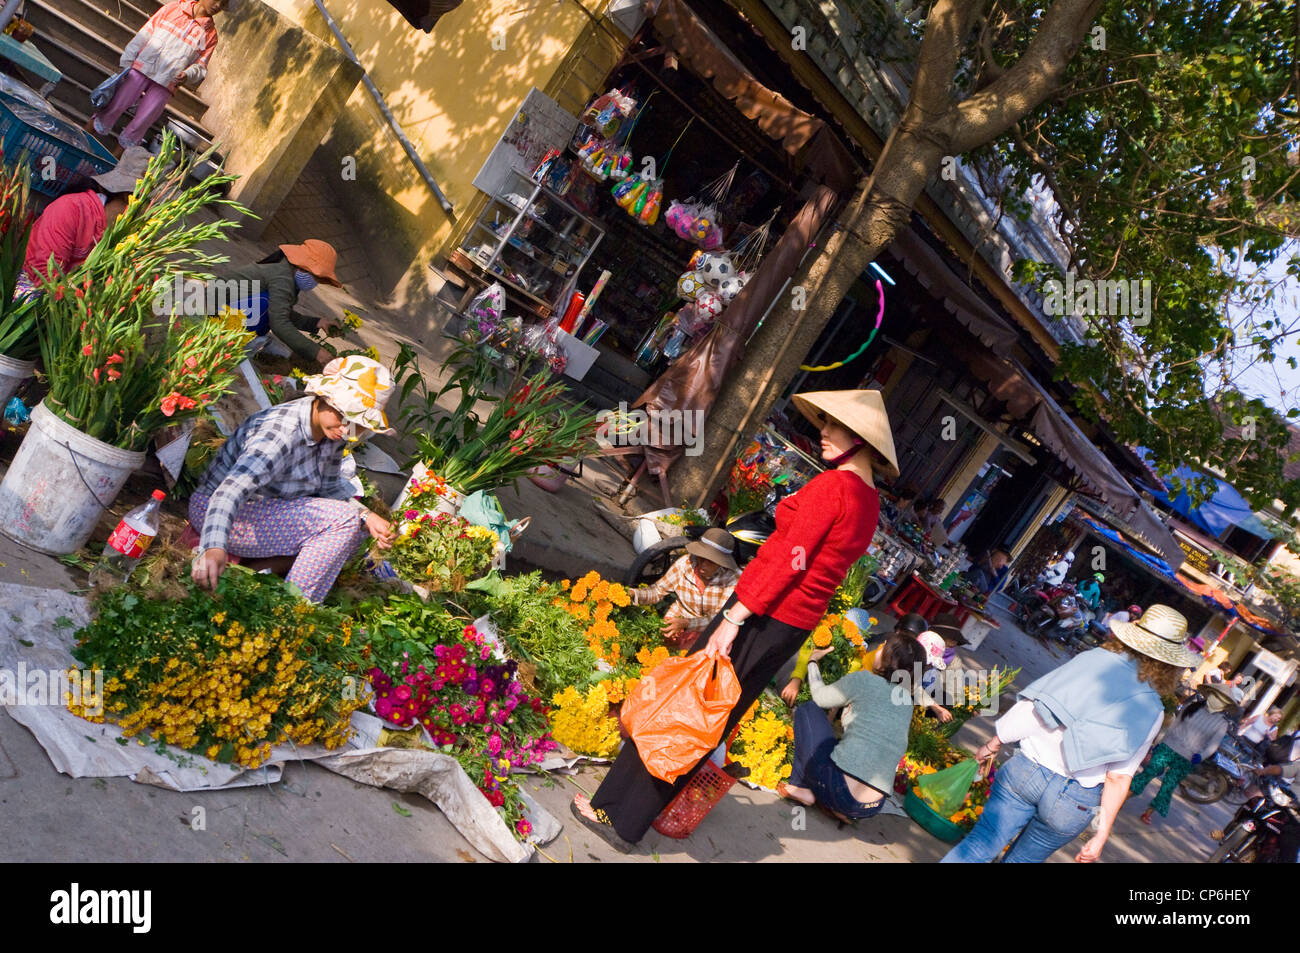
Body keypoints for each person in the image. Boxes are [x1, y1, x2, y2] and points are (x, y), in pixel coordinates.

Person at [570, 388, 899, 852]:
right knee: (709, 719)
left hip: (763, 611)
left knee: (685, 709)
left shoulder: (834, 487)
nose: (822, 431)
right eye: (824, 422)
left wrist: (735, 616)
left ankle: (615, 816)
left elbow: (787, 559)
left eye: (834, 425)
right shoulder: (868, 502)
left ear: (861, 438)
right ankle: (628, 817)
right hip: (789, 625)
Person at [941, 604, 1198, 863]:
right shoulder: (1152, 710)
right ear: (1169, 663)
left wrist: (995, 741)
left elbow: (1036, 708)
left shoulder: (1090, 660)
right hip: (1075, 801)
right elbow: (1119, 778)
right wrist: (1101, 834)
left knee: (977, 848)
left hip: (1026, 771)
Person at [189, 355, 396, 603]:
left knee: (358, 530)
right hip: (223, 513)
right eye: (343, 417)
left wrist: (367, 516)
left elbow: (329, 487)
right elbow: (229, 492)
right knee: (343, 521)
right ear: (324, 398)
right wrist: (214, 547)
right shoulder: (280, 434)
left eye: (357, 424)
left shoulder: (333, 434)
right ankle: (291, 605)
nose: (346, 428)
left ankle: (261, 570)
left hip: (265, 513)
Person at [776, 633, 928, 822]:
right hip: (872, 807)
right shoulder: (907, 702)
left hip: (838, 789)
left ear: (888, 659)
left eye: (883, 646)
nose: (878, 649)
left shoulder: (865, 680)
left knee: (809, 710)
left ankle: (801, 787)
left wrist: (812, 662)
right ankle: (842, 809)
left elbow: (820, 698)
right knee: (843, 746)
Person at [88, 0, 229, 150]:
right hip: (142, 67)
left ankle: (114, 165)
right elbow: (146, 32)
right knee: (114, 106)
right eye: (218, 0)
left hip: (167, 83)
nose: (219, 6)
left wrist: (188, 74)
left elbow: (201, 67)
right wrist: (129, 57)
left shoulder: (211, 35)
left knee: (141, 123)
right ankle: (84, 139)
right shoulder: (174, 8)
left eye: (223, 4)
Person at [16, 147, 152, 296]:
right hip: (29, 294)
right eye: (154, 206)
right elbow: (44, 274)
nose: (156, 215)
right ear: (130, 197)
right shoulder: (71, 209)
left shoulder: (133, 237)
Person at [209, 240, 346, 365]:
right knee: (265, 305)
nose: (315, 282)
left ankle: (247, 339)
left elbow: (280, 309)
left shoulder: (287, 270)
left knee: (269, 307)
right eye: (316, 277)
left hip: (225, 304)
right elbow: (279, 323)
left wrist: (317, 322)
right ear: (303, 267)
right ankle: (230, 343)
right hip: (212, 310)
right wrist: (317, 352)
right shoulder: (282, 278)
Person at [1129, 684, 1238, 825]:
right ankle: (1122, 798)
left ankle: (1148, 813)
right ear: (1210, 694)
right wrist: (1159, 743)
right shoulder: (1192, 707)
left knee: (1168, 786)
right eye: (1216, 696)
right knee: (1147, 774)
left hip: (1187, 757)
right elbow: (1173, 726)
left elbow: (1213, 746)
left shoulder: (1222, 724)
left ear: (1226, 705)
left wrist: (1201, 756)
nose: (1218, 701)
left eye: (1222, 700)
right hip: (1168, 747)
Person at [779, 611, 928, 706]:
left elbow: (823, 697)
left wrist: (812, 664)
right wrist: (797, 679)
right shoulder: (870, 649)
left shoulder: (867, 671)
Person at [628, 527, 740, 647]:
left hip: (708, 629)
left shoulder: (732, 580)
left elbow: (719, 618)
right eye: (701, 558)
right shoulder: (685, 564)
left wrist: (687, 624)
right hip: (677, 618)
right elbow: (657, 591)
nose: (703, 565)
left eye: (711, 562)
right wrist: (634, 594)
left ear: (721, 563)